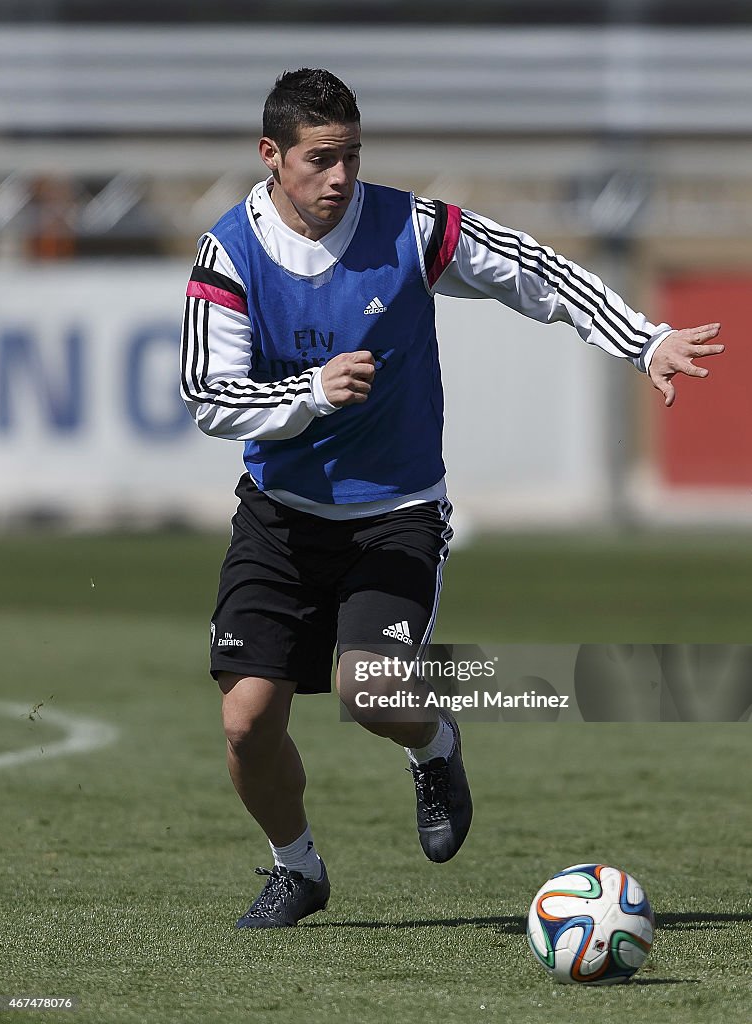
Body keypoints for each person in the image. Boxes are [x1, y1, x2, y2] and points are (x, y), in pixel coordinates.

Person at [180, 68, 723, 930]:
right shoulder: (230, 252)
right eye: (321, 159)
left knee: (372, 691)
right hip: (280, 517)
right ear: (271, 157)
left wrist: (643, 339)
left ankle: (436, 746)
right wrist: (314, 390)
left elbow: (530, 269)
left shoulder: (410, 226)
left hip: (395, 515)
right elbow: (208, 392)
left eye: (352, 156)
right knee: (246, 722)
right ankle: (298, 870)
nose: (340, 177)